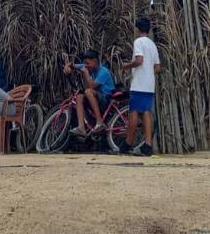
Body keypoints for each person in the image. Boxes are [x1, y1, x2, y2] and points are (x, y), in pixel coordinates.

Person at [123, 17, 161, 157]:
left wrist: (127, 65)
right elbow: (157, 68)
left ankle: (127, 144)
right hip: (149, 84)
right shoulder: (152, 45)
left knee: (133, 112)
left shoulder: (138, 42)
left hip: (138, 84)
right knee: (146, 113)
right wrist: (148, 72)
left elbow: (139, 60)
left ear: (137, 29)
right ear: (149, 29)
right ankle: (148, 145)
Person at [64, 50, 115, 137]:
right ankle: (81, 128)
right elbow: (73, 65)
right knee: (79, 96)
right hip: (96, 97)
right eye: (84, 64)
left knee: (88, 91)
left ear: (95, 61)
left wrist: (86, 73)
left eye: (87, 63)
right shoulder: (88, 66)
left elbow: (92, 86)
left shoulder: (104, 72)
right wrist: (67, 66)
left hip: (106, 99)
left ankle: (100, 122)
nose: (86, 66)